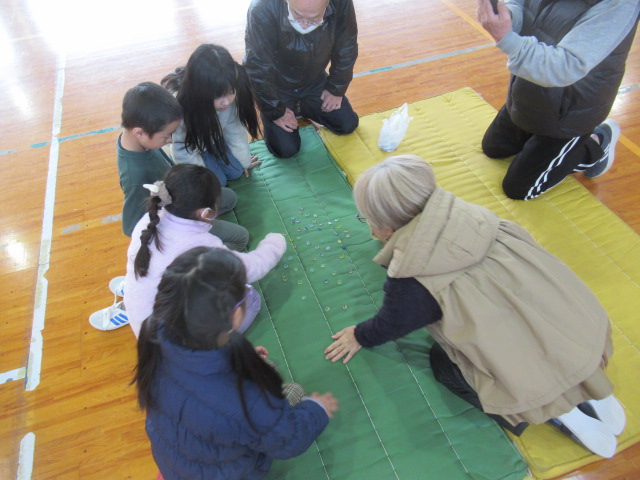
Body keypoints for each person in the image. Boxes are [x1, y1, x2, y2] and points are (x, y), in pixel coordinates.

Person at [324, 155, 626, 458]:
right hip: (574, 331)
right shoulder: (472, 213)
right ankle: (594, 391)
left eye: (368, 220)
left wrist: (359, 335)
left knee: (443, 362)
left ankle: (564, 415)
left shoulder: (410, 282)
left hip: (530, 377)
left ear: (386, 228)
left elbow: (393, 323)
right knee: (548, 351)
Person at [133, 247, 338, 480]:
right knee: (295, 391)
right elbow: (290, 440)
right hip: (225, 474)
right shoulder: (248, 398)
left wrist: (237, 360)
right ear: (234, 316)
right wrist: (317, 408)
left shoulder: (155, 331)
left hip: (174, 466)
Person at [89, 82, 249, 332]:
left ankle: (137, 282)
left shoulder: (139, 143)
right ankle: (136, 297)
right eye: (166, 136)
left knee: (226, 197)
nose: (170, 140)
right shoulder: (135, 174)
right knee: (239, 238)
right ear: (140, 132)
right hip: (172, 225)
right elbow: (134, 227)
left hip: (178, 204)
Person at [476, 0, 639, 200]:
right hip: (530, 90)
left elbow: (565, 67)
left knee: (518, 188)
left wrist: (506, 38)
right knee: (493, 148)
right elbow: (521, 6)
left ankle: (597, 144)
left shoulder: (620, 5)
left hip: (570, 112)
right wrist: (505, 17)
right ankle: (541, 147)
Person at [123, 163, 287, 337]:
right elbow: (252, 268)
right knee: (250, 298)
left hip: (144, 314)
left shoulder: (150, 218)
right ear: (206, 213)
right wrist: (275, 242)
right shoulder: (201, 246)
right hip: (171, 341)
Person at [244, 0, 359, 158]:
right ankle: (286, 110)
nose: (304, 26)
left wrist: (336, 89)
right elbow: (257, 66)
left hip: (314, 79)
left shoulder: (341, 3)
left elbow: (347, 46)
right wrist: (275, 111)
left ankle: (303, 107)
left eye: (314, 18)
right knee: (286, 150)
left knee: (347, 124)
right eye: (298, 16)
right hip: (277, 86)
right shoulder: (262, 8)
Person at [162, 44, 262, 187]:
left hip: (213, 139)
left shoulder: (229, 88)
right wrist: (201, 181)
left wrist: (244, 160)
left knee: (236, 171)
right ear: (200, 91)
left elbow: (235, 128)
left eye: (230, 92)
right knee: (217, 183)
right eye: (218, 96)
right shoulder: (182, 107)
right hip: (193, 148)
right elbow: (183, 149)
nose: (226, 102)